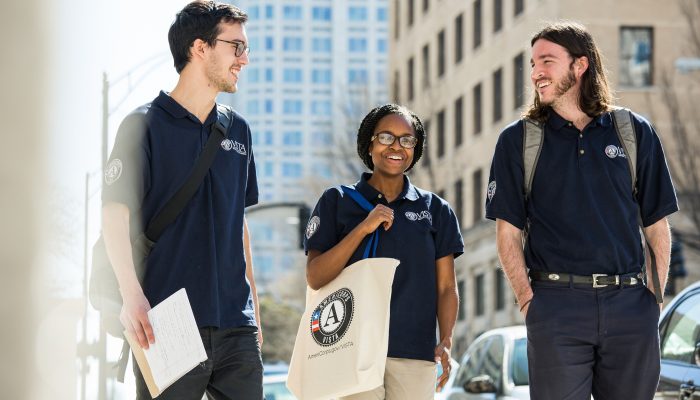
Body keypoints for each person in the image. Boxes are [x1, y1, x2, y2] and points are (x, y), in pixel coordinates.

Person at [485, 21, 678, 400]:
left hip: (630, 305)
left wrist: (653, 298)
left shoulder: (634, 132)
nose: (537, 72)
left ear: (580, 65)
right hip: (555, 307)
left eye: (547, 61)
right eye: (533, 63)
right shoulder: (518, 141)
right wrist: (528, 301)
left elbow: (657, 224)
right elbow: (508, 233)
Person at [101, 1, 263, 398]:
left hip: (236, 327)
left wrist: (254, 312)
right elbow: (113, 215)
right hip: (167, 323)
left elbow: (237, 226)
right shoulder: (143, 125)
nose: (244, 58)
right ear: (200, 48)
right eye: (236, 47)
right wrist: (131, 296)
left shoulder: (237, 130)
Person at [304, 104, 464, 399]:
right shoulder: (337, 202)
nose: (397, 147)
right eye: (386, 137)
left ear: (415, 148)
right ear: (369, 143)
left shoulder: (436, 211)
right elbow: (315, 276)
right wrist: (364, 228)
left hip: (414, 353)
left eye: (407, 140)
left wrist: (446, 339)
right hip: (352, 349)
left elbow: (446, 287)